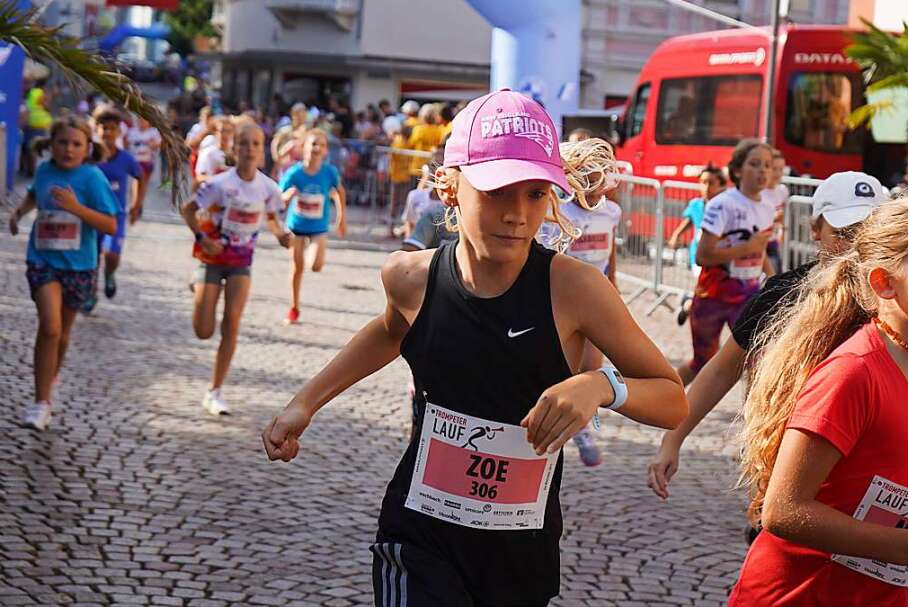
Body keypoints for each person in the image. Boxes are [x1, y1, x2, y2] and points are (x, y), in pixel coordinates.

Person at [262, 89, 687, 606]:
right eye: (496, 191)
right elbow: (391, 331)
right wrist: (304, 402)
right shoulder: (409, 276)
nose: (517, 215)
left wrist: (599, 386)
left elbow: (671, 398)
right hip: (419, 535)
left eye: (534, 194)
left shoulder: (574, 289)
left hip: (520, 546)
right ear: (449, 185)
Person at [728, 193, 908, 605]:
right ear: (884, 282)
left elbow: (878, 495)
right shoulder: (854, 373)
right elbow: (782, 510)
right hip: (802, 593)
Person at [649, 173, 908, 504]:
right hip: (787, 459)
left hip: (864, 468)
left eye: (867, 231)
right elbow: (721, 370)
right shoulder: (781, 294)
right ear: (815, 230)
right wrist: (673, 440)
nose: (855, 244)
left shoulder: (891, 299)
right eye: (844, 232)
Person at [7, 115, 119, 430]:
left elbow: (110, 224)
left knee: (63, 334)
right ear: (51, 144)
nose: (68, 149)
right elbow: (34, 194)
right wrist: (19, 212)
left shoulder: (92, 178)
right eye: (62, 143)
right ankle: (41, 403)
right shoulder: (45, 170)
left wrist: (76, 208)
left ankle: (49, 376)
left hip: (80, 266)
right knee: (51, 327)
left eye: (76, 144)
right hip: (42, 260)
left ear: (87, 148)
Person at [180, 122, 292, 416]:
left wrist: (280, 234)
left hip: (242, 263)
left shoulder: (268, 187)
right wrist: (203, 238)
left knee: (232, 323)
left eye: (256, 144)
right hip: (213, 260)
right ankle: (197, 284)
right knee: (204, 331)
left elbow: (272, 217)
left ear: (262, 150)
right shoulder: (219, 184)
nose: (250, 149)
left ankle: (214, 391)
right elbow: (188, 210)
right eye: (244, 143)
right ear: (235, 149)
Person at [537, 137, 621, 468]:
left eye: (600, 178)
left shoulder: (612, 211)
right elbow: (550, 258)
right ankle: (551, 419)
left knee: (591, 367)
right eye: (587, 177)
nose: (595, 186)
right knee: (561, 366)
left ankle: (583, 426)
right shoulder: (558, 213)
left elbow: (610, 251)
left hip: (597, 299)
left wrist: (612, 286)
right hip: (565, 300)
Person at [683, 140, 775, 384]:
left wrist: (774, 279)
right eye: (755, 164)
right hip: (713, 296)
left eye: (767, 165)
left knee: (757, 361)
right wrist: (746, 247)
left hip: (748, 296)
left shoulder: (768, 206)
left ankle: (756, 420)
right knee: (701, 363)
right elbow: (703, 255)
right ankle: (658, 400)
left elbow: (760, 248)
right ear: (737, 170)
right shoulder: (722, 204)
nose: (763, 171)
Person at [279, 129, 347, 325]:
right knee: (297, 268)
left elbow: (339, 192)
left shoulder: (329, 172)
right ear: (304, 148)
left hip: (318, 226)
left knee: (315, 266)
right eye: (313, 144)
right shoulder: (295, 172)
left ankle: (311, 252)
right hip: (296, 225)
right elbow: (278, 198)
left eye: (322, 145)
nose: (317, 148)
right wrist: (288, 195)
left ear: (326, 151)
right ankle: (294, 306)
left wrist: (341, 219)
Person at [85, 109, 142, 310]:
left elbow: (139, 177)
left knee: (112, 255)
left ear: (119, 132)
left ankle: (110, 274)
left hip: (116, 215)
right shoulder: (88, 155)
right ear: (96, 129)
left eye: (112, 128)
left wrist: (136, 204)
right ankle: (90, 294)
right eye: (104, 128)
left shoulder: (126, 159)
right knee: (92, 256)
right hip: (91, 215)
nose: (108, 132)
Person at [666, 164, 727, 325]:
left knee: (712, 293)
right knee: (709, 292)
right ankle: (695, 312)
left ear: (721, 185)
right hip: (699, 256)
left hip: (721, 258)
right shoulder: (696, 205)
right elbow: (688, 222)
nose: (706, 187)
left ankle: (688, 303)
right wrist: (676, 235)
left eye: (711, 183)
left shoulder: (725, 206)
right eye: (703, 182)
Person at [125, 115, 162, 219]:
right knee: (137, 181)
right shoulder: (132, 131)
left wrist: (151, 144)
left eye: (144, 120)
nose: (141, 122)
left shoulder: (153, 132)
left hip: (148, 161)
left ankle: (138, 204)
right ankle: (136, 204)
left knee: (143, 184)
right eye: (140, 120)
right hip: (135, 161)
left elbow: (159, 144)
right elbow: (126, 145)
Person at [760, 149, 790, 275]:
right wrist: (773, 219)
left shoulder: (782, 190)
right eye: (774, 168)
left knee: (774, 276)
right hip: (758, 242)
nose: (778, 173)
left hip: (773, 241)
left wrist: (782, 229)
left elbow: (784, 215)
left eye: (781, 169)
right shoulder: (759, 192)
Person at [20, 75, 52, 177]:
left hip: (31, 122)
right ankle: (31, 170)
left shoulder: (31, 92)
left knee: (26, 147)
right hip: (40, 123)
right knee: (33, 148)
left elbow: (27, 107)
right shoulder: (42, 93)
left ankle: (25, 169)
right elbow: (47, 107)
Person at [194, 117, 235, 187]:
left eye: (228, 131)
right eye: (222, 131)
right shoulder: (207, 153)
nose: (225, 135)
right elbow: (199, 178)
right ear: (215, 132)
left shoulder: (236, 154)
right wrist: (218, 178)